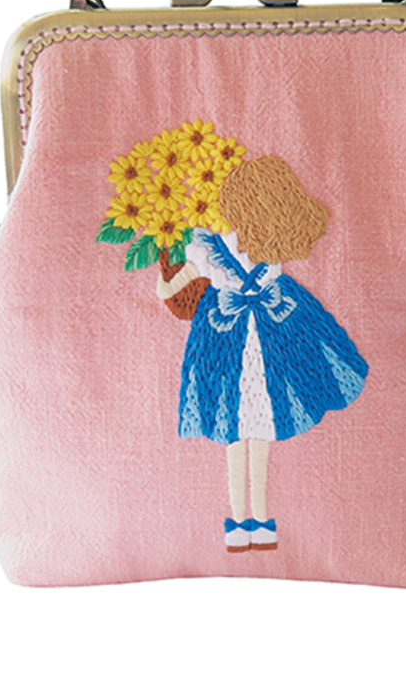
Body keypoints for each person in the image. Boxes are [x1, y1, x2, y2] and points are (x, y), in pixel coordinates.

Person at [156, 155, 369, 552]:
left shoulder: (220, 246)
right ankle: (255, 520)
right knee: (256, 426)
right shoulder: (249, 247)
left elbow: (177, 282)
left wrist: (166, 277)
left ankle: (245, 522)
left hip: (232, 341)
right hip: (250, 337)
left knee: (241, 428)